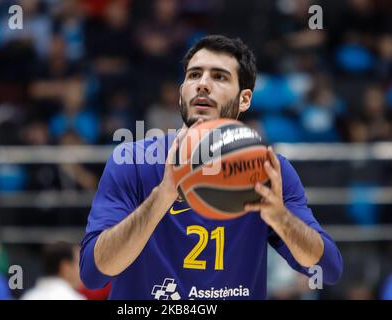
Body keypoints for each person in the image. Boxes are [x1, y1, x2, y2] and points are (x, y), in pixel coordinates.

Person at [80, 35, 343, 300]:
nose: (203, 84)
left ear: (244, 99)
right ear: (181, 92)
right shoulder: (133, 161)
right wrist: (163, 195)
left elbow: (327, 269)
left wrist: (281, 218)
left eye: (219, 77)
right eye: (194, 75)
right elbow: (93, 274)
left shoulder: (271, 171)